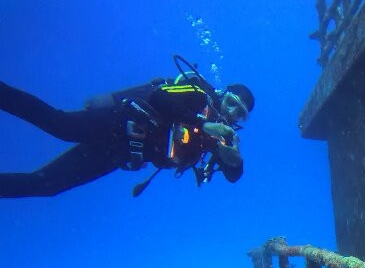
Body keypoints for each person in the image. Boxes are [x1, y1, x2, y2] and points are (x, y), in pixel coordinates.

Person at [0, 70, 254, 198]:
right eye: (231, 102)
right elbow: (160, 96)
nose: (232, 113)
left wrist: (236, 162)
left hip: (120, 152)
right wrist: (200, 122)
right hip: (118, 123)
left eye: (240, 113)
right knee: (59, 124)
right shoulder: (199, 95)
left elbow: (233, 176)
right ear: (222, 95)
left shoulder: (219, 140)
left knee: (48, 184)